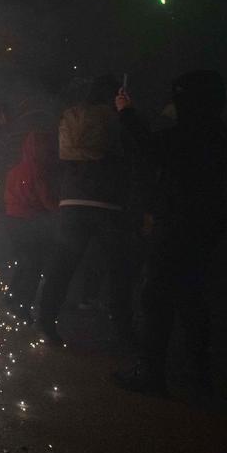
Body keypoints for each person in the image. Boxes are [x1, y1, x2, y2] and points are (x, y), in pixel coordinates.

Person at [114, 71, 227, 394]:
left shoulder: (193, 134)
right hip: (205, 228)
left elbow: (150, 148)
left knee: (156, 299)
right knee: (192, 300)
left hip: (178, 226)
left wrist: (126, 113)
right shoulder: (218, 133)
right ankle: (198, 376)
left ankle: (152, 374)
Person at [38, 74, 136, 345]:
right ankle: (124, 332)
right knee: (118, 271)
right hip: (107, 202)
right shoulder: (115, 118)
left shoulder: (72, 116)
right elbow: (132, 152)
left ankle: (45, 321)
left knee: (62, 266)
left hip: (72, 201)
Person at [3, 130, 58, 321]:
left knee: (25, 262)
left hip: (12, 221)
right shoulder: (37, 171)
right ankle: (22, 307)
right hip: (29, 223)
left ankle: (11, 298)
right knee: (33, 267)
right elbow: (46, 200)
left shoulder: (14, 171)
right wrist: (59, 210)